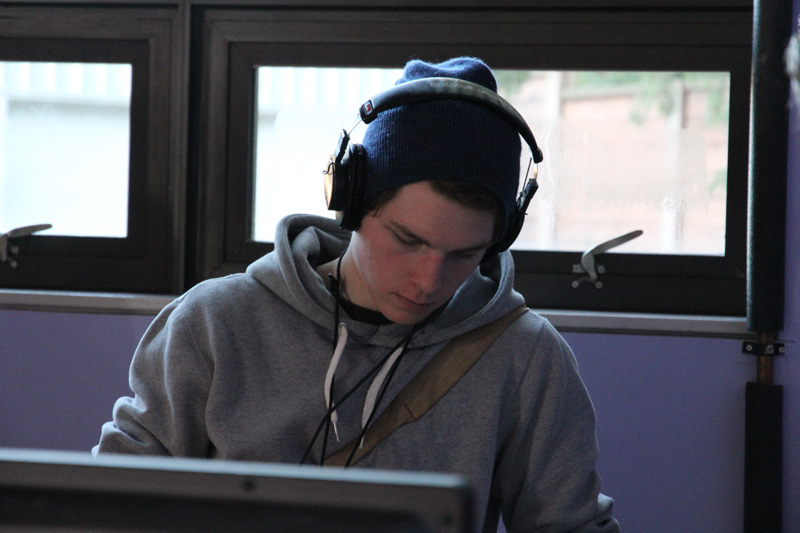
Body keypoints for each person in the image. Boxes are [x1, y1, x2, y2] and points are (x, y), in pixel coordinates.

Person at [94, 57, 619, 532]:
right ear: (351, 203)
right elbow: (111, 503)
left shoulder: (525, 355)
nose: (428, 281)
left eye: (464, 254)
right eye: (407, 240)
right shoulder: (215, 322)